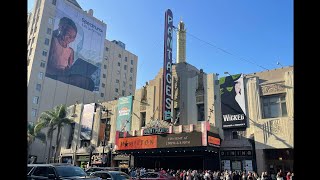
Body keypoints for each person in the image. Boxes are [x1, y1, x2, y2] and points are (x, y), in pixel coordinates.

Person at [46, 16, 77, 81]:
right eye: (68, 34)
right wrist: (58, 72)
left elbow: (69, 69)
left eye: (73, 37)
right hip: (49, 78)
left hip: (61, 80)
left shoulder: (71, 51)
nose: (70, 38)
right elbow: (45, 64)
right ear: (62, 29)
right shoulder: (53, 41)